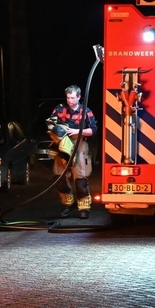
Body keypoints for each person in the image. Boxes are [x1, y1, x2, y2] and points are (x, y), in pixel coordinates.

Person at [47, 84, 96, 219]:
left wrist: (76, 131)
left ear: (79, 97)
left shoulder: (86, 111)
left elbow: (93, 130)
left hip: (79, 143)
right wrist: (57, 131)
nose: (70, 100)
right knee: (59, 178)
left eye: (73, 98)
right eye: (68, 98)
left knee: (80, 179)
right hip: (62, 143)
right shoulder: (59, 109)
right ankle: (68, 204)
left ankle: (84, 207)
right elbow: (50, 124)